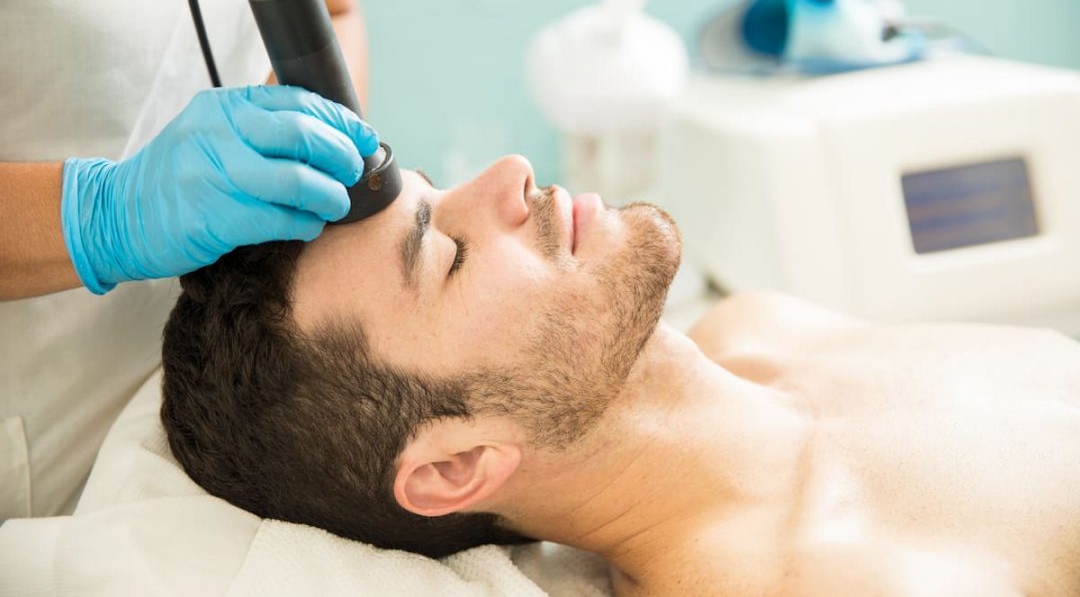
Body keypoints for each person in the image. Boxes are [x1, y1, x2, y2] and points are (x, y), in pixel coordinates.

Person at [160, 156, 1080, 596]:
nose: (510, 176)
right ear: (456, 464)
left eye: (441, 188)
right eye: (448, 252)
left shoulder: (762, 329)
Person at [0, 0, 373, 522]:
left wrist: (309, 140)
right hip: (41, 419)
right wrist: (105, 215)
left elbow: (334, 5)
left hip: (235, 413)